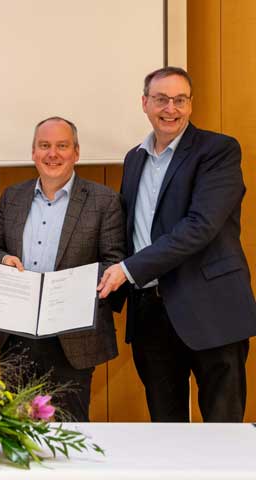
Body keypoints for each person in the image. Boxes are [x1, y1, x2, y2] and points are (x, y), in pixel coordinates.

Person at [97, 67, 256, 422]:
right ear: (144, 103)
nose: (171, 108)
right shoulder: (134, 158)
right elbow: (131, 229)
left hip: (211, 310)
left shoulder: (218, 150)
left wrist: (127, 270)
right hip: (151, 314)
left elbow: (200, 227)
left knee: (223, 430)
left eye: (180, 100)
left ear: (190, 105)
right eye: (161, 99)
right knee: (166, 431)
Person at [0, 117, 125, 421]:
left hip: (73, 338)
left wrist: (80, 287)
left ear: (76, 152)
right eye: (44, 146)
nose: (53, 154)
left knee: (69, 429)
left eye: (62, 146)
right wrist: (4, 261)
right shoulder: (13, 197)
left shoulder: (103, 201)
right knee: (15, 426)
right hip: (16, 333)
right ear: (33, 152)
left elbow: (114, 261)